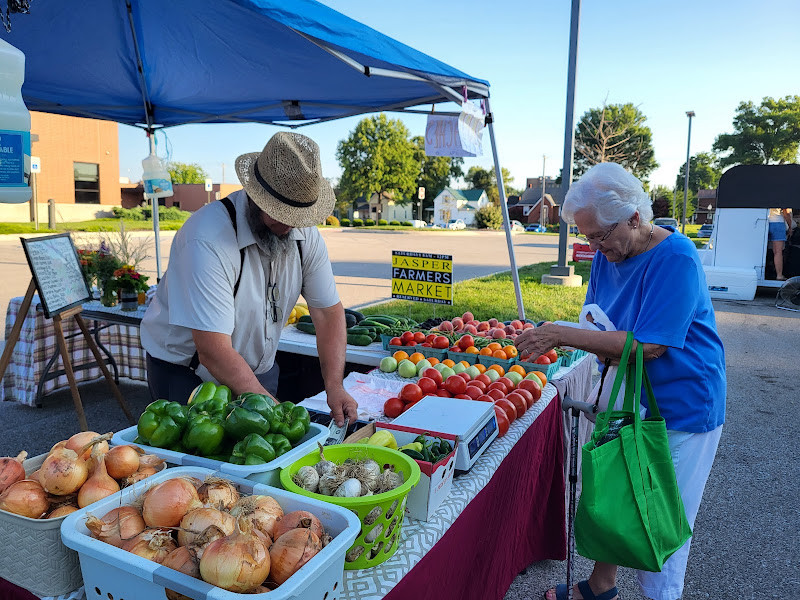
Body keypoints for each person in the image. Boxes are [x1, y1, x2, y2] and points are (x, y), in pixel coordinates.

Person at [515, 163, 725, 600]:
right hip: (630, 394)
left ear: (634, 217)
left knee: (660, 521)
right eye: (587, 236)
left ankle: (660, 595)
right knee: (614, 491)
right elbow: (599, 325)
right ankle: (600, 585)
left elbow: (651, 346)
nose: (594, 247)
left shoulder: (677, 257)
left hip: (683, 404)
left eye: (599, 236)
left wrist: (558, 333)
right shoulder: (609, 254)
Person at [140, 132, 358, 426]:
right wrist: (278, 415)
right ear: (256, 195)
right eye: (281, 213)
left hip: (257, 371)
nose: (290, 225)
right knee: (197, 466)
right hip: (189, 375)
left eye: (298, 216)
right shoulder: (206, 238)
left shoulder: (303, 234)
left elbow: (328, 311)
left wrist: (334, 385)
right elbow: (213, 350)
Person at [767, 207, 792, 280]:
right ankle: (779, 275)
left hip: (765, 221)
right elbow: (786, 213)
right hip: (778, 223)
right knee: (778, 252)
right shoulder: (782, 197)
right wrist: (790, 227)